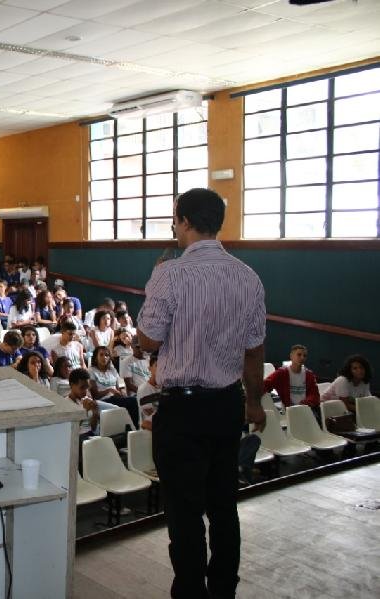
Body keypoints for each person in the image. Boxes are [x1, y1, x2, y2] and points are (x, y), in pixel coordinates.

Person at [137, 187, 266, 599]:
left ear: (185, 221)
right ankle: (224, 589)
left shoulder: (170, 273)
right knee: (224, 506)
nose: (175, 228)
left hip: (184, 411)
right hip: (227, 405)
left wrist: (151, 287)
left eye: (175, 221)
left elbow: (148, 341)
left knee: (185, 512)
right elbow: (255, 348)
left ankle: (190, 592)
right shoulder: (247, 276)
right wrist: (253, 400)